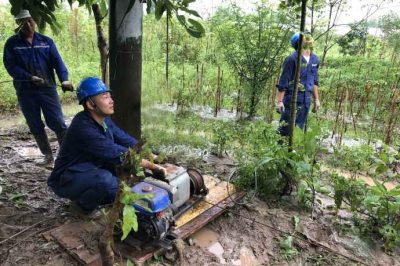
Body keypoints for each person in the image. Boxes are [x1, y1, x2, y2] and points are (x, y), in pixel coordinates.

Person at [47, 77, 139, 214]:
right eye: (105, 97)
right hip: (66, 179)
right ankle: (80, 208)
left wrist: (149, 153)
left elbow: (125, 139)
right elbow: (113, 152)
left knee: (120, 192)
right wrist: (149, 164)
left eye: (110, 96)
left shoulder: (104, 120)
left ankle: (92, 196)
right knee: (107, 181)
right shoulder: (82, 126)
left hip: (90, 170)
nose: (111, 100)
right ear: (90, 104)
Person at [3, 9, 74, 166]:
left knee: (58, 121)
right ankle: (47, 156)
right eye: (25, 22)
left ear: (35, 21)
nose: (29, 24)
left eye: (31, 20)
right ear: (18, 25)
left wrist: (64, 80)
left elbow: (57, 62)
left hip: (47, 89)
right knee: (34, 123)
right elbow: (10, 66)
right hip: (25, 91)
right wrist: (29, 77)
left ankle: (65, 156)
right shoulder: (12, 44)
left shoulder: (46, 41)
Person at [276, 33, 320, 136]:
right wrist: (279, 101)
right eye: (305, 39)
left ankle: (293, 150)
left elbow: (314, 81)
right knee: (285, 129)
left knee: (299, 129)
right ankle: (280, 149)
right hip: (292, 98)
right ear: (299, 43)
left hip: (306, 100)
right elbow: (283, 81)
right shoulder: (291, 59)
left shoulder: (315, 60)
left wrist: (316, 99)